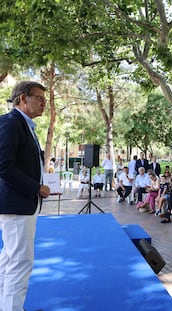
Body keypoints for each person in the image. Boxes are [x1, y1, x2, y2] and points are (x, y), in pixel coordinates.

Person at [0, 81, 51, 311]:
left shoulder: (25, 126)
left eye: (44, 99)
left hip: (20, 204)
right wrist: (36, 187)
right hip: (17, 205)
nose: (43, 103)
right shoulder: (11, 123)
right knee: (20, 263)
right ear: (22, 98)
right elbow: (3, 166)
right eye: (39, 98)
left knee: (9, 261)